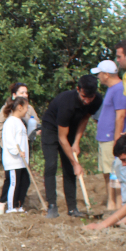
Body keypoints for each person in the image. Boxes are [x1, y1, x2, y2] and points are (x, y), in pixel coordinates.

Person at [40, 74, 103, 218]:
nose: (87, 101)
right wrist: (76, 163)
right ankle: (52, 206)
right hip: (51, 128)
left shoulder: (97, 100)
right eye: (84, 96)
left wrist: (76, 142)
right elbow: (62, 138)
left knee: (69, 169)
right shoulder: (66, 103)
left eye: (90, 97)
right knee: (51, 165)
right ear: (78, 89)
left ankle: (72, 209)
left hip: (71, 130)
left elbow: (85, 118)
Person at [91, 60, 126, 210]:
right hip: (104, 137)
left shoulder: (119, 89)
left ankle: (116, 203)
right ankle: (111, 201)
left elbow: (121, 115)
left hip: (111, 138)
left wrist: (117, 139)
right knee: (107, 171)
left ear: (106, 75)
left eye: (99, 74)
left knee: (114, 171)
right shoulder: (112, 89)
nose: (98, 77)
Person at [0, 82, 39, 169]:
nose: (25, 95)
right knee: (12, 177)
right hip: (9, 149)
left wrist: (36, 131)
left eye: (26, 93)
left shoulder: (29, 108)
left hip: (23, 147)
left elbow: (36, 123)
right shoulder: (6, 108)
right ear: (14, 95)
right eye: (22, 93)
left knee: (24, 177)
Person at [0, 96, 31, 214]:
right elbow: (9, 140)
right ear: (20, 107)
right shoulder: (10, 122)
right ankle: (12, 207)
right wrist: (17, 150)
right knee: (14, 184)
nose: (27, 110)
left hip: (22, 161)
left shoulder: (20, 122)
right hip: (14, 161)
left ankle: (19, 205)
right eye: (26, 108)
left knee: (25, 182)